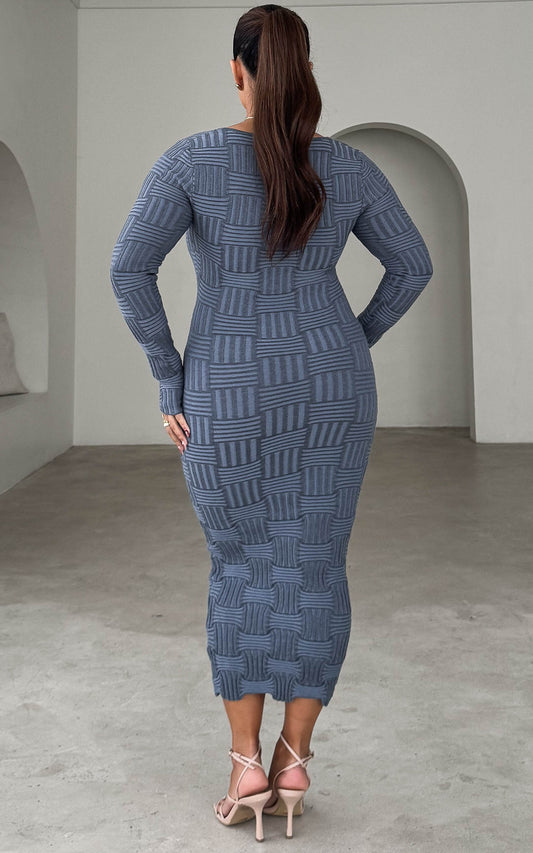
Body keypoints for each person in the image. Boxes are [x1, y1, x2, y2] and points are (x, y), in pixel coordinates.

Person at [110, 3, 433, 842]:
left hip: (225, 388)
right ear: (306, 70)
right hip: (332, 391)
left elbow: (129, 268)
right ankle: (294, 757)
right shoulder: (349, 166)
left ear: (237, 70)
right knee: (316, 564)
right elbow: (412, 265)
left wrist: (169, 377)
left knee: (240, 566)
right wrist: (348, 342)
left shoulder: (190, 160)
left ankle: (245, 765)